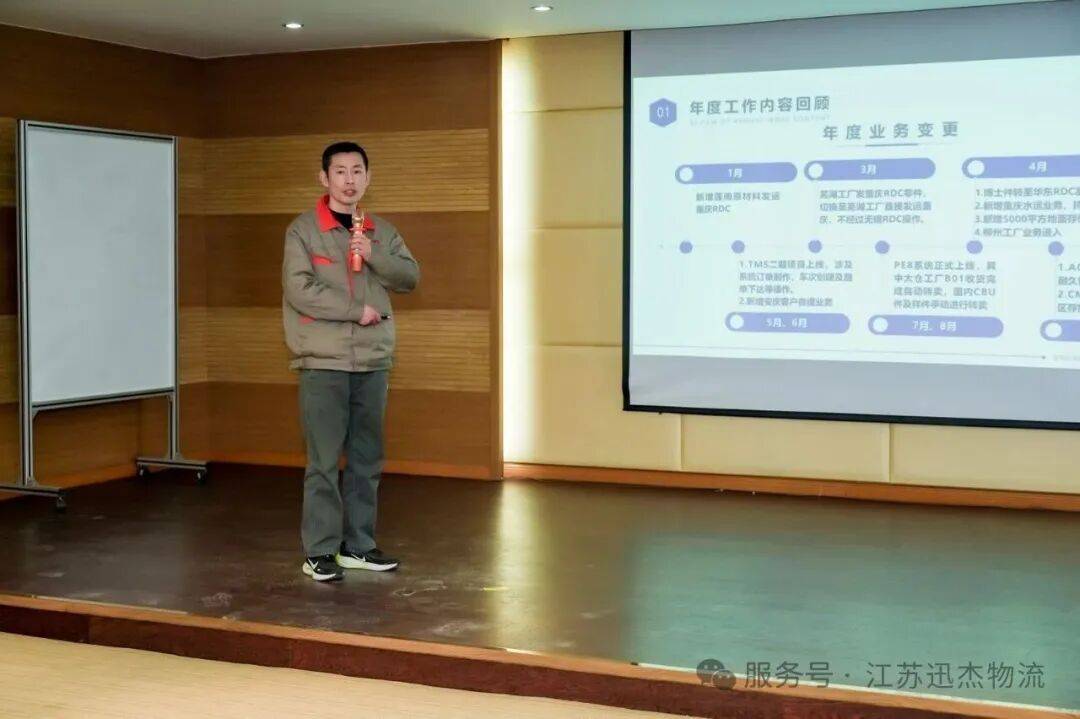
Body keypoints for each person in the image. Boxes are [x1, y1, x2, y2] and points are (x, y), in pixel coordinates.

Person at [282, 141, 420, 581]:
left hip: (373, 360)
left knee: (366, 458)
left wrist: (374, 253)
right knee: (323, 461)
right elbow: (300, 290)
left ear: (368, 177)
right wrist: (354, 311)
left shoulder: (382, 231)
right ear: (324, 178)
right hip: (324, 360)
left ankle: (358, 546)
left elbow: (410, 277)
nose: (349, 180)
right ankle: (319, 551)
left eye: (357, 171)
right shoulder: (303, 231)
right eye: (339, 171)